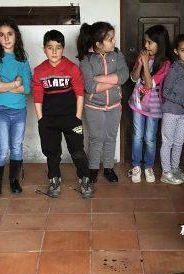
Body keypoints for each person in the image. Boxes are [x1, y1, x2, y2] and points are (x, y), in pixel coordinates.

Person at [32, 29, 93, 199]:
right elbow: (37, 97)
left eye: (58, 47)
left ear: (63, 48)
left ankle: (84, 178)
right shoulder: (39, 71)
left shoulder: (72, 68)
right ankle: (54, 179)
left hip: (71, 119)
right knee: (52, 153)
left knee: (78, 151)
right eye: (50, 47)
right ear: (44, 49)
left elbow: (80, 93)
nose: (54, 51)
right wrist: (41, 119)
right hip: (48, 120)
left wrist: (78, 117)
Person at [0, 17, 31, 196]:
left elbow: (27, 88)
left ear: (16, 36)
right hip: (0, 110)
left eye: (10, 34)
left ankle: (14, 180)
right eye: (1, 35)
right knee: (2, 148)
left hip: (19, 110)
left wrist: (5, 83)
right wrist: (15, 83)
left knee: (17, 146)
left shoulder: (22, 59)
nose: (6, 38)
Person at [77, 22, 129, 184]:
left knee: (111, 137)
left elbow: (124, 75)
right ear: (98, 44)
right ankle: (93, 168)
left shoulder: (117, 54)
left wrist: (100, 80)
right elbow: (90, 86)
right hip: (94, 107)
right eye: (110, 39)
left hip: (115, 106)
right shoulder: (86, 59)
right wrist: (114, 81)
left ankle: (108, 167)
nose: (114, 42)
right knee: (96, 138)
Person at [128, 24, 172, 183]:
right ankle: (136, 166)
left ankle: (148, 166)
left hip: (154, 107)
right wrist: (140, 63)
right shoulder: (143, 57)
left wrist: (146, 63)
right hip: (138, 104)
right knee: (137, 136)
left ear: (160, 44)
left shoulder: (165, 64)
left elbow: (148, 84)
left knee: (150, 138)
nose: (146, 45)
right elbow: (133, 78)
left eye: (150, 42)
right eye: (145, 42)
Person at [160, 34, 184, 185]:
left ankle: (175, 168)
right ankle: (166, 172)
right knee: (167, 142)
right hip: (170, 112)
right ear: (176, 51)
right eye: (183, 50)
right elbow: (166, 92)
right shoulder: (173, 68)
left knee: (179, 142)